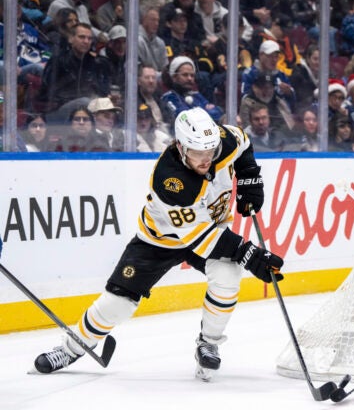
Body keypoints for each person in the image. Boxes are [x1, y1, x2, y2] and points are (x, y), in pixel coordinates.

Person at [33, 108, 284, 380]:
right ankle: (71, 348)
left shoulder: (222, 141)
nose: (206, 159)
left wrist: (248, 176)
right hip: (159, 239)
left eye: (210, 151)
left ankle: (208, 343)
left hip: (210, 227)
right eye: (198, 153)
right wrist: (249, 255)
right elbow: (202, 239)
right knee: (117, 303)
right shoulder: (170, 180)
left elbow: (243, 141)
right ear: (181, 146)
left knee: (227, 277)